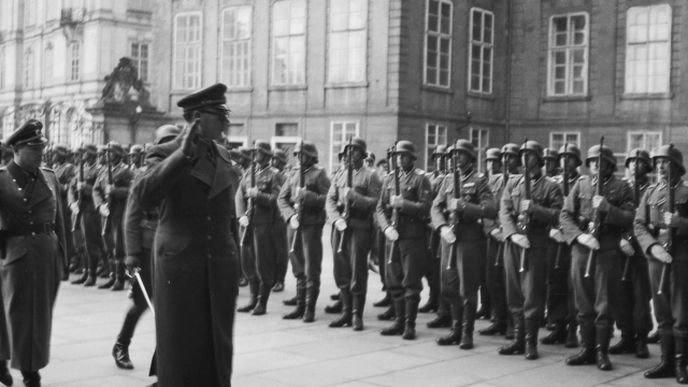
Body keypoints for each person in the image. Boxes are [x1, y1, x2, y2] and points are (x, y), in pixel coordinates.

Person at [136, 83, 241, 386]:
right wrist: (182, 157)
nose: (225, 122)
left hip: (219, 266)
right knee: (182, 349)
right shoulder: (165, 153)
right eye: (218, 115)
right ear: (196, 118)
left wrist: (235, 257)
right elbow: (143, 195)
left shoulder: (221, 154)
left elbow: (226, 216)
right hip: (181, 268)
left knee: (217, 347)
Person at [0, 119, 67, 387]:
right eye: (34, 148)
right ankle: (27, 371)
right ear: (17, 150)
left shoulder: (49, 176)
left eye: (42, 147)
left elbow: (59, 219)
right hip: (16, 254)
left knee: (39, 314)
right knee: (16, 313)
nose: (41, 152)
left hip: (46, 252)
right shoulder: (3, 180)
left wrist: (64, 254)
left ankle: (27, 365)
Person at [111, 125, 180, 371]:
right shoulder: (144, 176)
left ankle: (162, 359)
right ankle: (121, 344)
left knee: (169, 306)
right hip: (149, 248)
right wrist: (130, 254)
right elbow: (131, 216)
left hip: (173, 248)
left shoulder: (181, 174)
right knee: (142, 302)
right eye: (166, 143)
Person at [561, 143, 634, 371]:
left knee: (604, 303)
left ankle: (602, 351)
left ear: (611, 165)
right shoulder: (580, 185)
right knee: (583, 302)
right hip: (582, 250)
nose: (596, 166)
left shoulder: (621, 188)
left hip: (607, 252)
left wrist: (607, 209)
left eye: (601, 162)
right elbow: (565, 215)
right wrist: (580, 237)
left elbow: (629, 217)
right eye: (592, 162)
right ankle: (587, 348)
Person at [498, 140, 563, 360]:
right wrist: (512, 234)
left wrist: (536, 209)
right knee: (514, 292)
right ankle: (518, 339)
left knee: (532, 295)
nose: (525, 158)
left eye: (530, 155)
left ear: (539, 159)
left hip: (536, 245)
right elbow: (504, 211)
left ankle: (530, 343)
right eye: (523, 154)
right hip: (514, 243)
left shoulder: (550, 186)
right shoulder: (513, 184)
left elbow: (557, 215)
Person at [432, 140, 496, 349]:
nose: (455, 157)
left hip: (469, 239)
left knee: (467, 289)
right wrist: (441, 227)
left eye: (460, 154)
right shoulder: (448, 180)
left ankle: (467, 333)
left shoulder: (479, 180)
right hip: (449, 239)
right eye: (453, 154)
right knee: (449, 286)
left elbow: (489, 209)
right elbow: (436, 207)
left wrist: (465, 206)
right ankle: (455, 329)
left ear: (470, 156)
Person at [635, 145, 688, 384]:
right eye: (657, 163)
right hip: (656, 259)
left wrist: (681, 223)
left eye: (664, 162)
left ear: (676, 166)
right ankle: (666, 361)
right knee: (662, 312)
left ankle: (680, 364)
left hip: (681, 260)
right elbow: (639, 224)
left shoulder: (687, 192)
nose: (659, 166)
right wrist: (652, 247)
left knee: (681, 314)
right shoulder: (651, 192)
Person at [376, 140, 431, 340]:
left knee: (411, 281)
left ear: (412, 158)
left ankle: (410, 324)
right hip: (393, 236)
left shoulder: (420, 179)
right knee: (393, 279)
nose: (400, 159)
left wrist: (405, 204)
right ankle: (399, 320)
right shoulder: (390, 178)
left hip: (412, 237)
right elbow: (380, 207)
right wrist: (386, 227)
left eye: (404, 156)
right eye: (398, 156)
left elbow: (426, 208)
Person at [326, 137, 381, 331]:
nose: (350, 154)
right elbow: (330, 200)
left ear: (363, 154)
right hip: (340, 226)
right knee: (341, 269)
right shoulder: (340, 174)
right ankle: (346, 312)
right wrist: (335, 219)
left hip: (359, 226)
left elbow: (376, 202)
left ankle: (357, 315)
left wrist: (355, 198)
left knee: (357, 270)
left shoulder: (370, 176)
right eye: (347, 151)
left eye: (355, 151)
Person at [278, 141, 331, 322]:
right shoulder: (292, 173)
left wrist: (310, 197)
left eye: (304, 155)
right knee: (297, 265)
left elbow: (329, 199)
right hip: (295, 225)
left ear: (311, 156)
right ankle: (299, 306)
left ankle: (310, 308)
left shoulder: (319, 174)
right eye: (298, 155)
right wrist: (290, 215)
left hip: (312, 225)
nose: (300, 158)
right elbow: (282, 198)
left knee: (311, 267)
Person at [609, 149, 653, 359]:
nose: (636, 165)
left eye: (640, 162)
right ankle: (626, 336)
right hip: (621, 248)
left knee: (641, 296)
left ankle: (642, 339)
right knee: (621, 294)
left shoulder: (652, 190)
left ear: (647, 166)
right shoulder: (619, 188)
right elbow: (616, 216)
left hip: (643, 250)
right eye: (632, 162)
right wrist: (622, 240)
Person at [541, 144, 583, 348]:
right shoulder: (552, 183)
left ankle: (573, 329)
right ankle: (558, 326)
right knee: (554, 284)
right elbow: (548, 210)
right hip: (554, 240)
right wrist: (551, 230)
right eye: (563, 158)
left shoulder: (583, 184)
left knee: (572, 285)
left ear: (577, 161)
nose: (566, 162)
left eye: (570, 158)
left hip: (574, 240)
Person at [236, 140, 283, 316]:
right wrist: (241, 215)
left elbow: (278, 198)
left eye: (259, 152)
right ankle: (252, 299)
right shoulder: (248, 173)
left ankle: (262, 302)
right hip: (248, 223)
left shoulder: (274, 175)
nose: (255, 155)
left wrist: (259, 195)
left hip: (264, 224)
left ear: (267, 155)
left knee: (263, 263)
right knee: (247, 261)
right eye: (254, 152)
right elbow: (239, 195)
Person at [93, 142, 135, 291]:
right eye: (106, 153)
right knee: (108, 243)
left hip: (119, 212)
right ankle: (112, 275)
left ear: (117, 153)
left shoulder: (126, 171)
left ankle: (120, 278)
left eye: (110, 152)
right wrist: (100, 205)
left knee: (119, 247)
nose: (106, 155)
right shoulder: (104, 171)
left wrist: (116, 191)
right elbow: (96, 190)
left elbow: (133, 190)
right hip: (106, 212)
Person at [68, 144, 104, 287]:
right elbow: (71, 188)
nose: (83, 157)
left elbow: (98, 190)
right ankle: (85, 271)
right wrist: (72, 203)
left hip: (90, 209)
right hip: (78, 209)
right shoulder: (79, 169)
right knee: (79, 242)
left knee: (90, 243)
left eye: (86, 154)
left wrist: (85, 188)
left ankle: (92, 274)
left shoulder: (99, 170)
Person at [52, 144, 77, 280]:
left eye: (56, 153)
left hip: (64, 206)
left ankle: (65, 268)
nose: (54, 156)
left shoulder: (69, 168)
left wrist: (56, 187)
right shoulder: (55, 168)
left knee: (65, 237)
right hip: (55, 205)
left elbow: (70, 187)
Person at [271, 149, 289, 293]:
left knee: (280, 250)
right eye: (272, 158)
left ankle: (279, 280)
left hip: (281, 217)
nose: (273, 161)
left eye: (276, 159)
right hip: (269, 216)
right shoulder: (271, 173)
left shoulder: (285, 176)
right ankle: (272, 277)